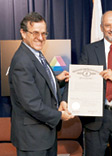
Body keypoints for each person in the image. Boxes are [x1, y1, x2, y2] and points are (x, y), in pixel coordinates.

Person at [64, 10, 112, 156]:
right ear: (101, 28)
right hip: (95, 117)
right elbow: (78, 80)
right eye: (107, 25)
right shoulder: (89, 50)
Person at [8, 12, 74, 156]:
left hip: (44, 135)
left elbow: (37, 85)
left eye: (44, 33)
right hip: (32, 139)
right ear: (23, 33)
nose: (40, 38)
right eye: (35, 33)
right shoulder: (22, 61)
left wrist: (57, 80)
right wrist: (59, 115)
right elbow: (31, 103)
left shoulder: (35, 53)